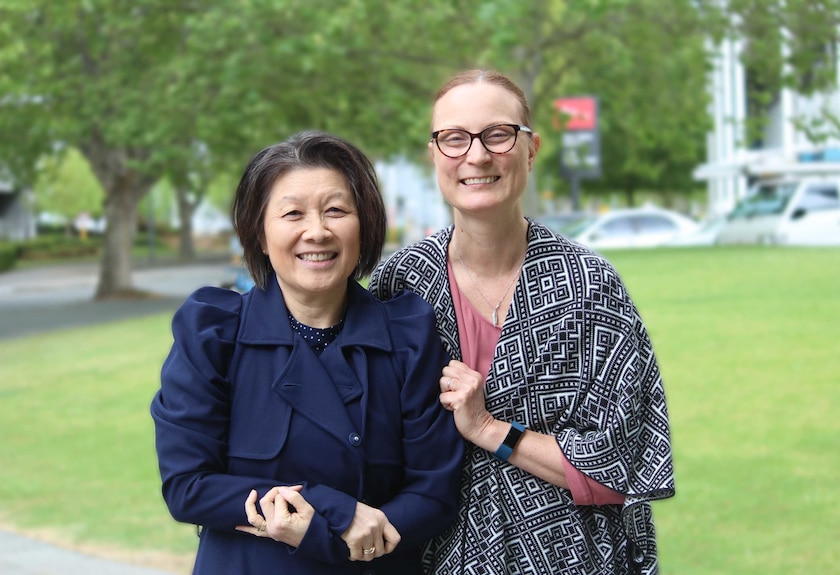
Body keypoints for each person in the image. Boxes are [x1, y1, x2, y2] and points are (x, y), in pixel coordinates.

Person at [369, 69, 675, 574]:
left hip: (575, 559)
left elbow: (623, 466)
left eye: (498, 134)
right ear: (434, 156)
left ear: (531, 150)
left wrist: (489, 428)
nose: (477, 155)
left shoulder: (589, 285)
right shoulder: (399, 285)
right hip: (434, 559)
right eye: (454, 138)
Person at [151, 131, 464, 575]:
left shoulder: (407, 338)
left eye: (336, 210)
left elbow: (432, 494)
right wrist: (332, 510)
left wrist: (333, 539)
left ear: (365, 225)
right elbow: (188, 487)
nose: (316, 231)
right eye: (292, 213)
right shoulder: (213, 334)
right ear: (259, 233)